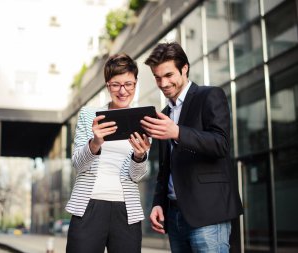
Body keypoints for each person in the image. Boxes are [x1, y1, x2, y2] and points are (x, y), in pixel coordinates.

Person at [141, 42, 243, 252]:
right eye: (158, 77)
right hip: (175, 216)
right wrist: (158, 203)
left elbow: (220, 144)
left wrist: (177, 132)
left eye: (169, 75)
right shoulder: (164, 114)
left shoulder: (210, 96)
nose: (163, 83)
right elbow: (165, 168)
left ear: (184, 68)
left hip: (208, 214)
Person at [65, 53, 151, 253]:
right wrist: (95, 143)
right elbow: (78, 164)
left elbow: (137, 176)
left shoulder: (143, 120)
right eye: (116, 84)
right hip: (88, 206)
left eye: (128, 84)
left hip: (126, 210)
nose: (123, 91)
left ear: (136, 83)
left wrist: (139, 156)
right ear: (107, 85)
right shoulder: (89, 115)